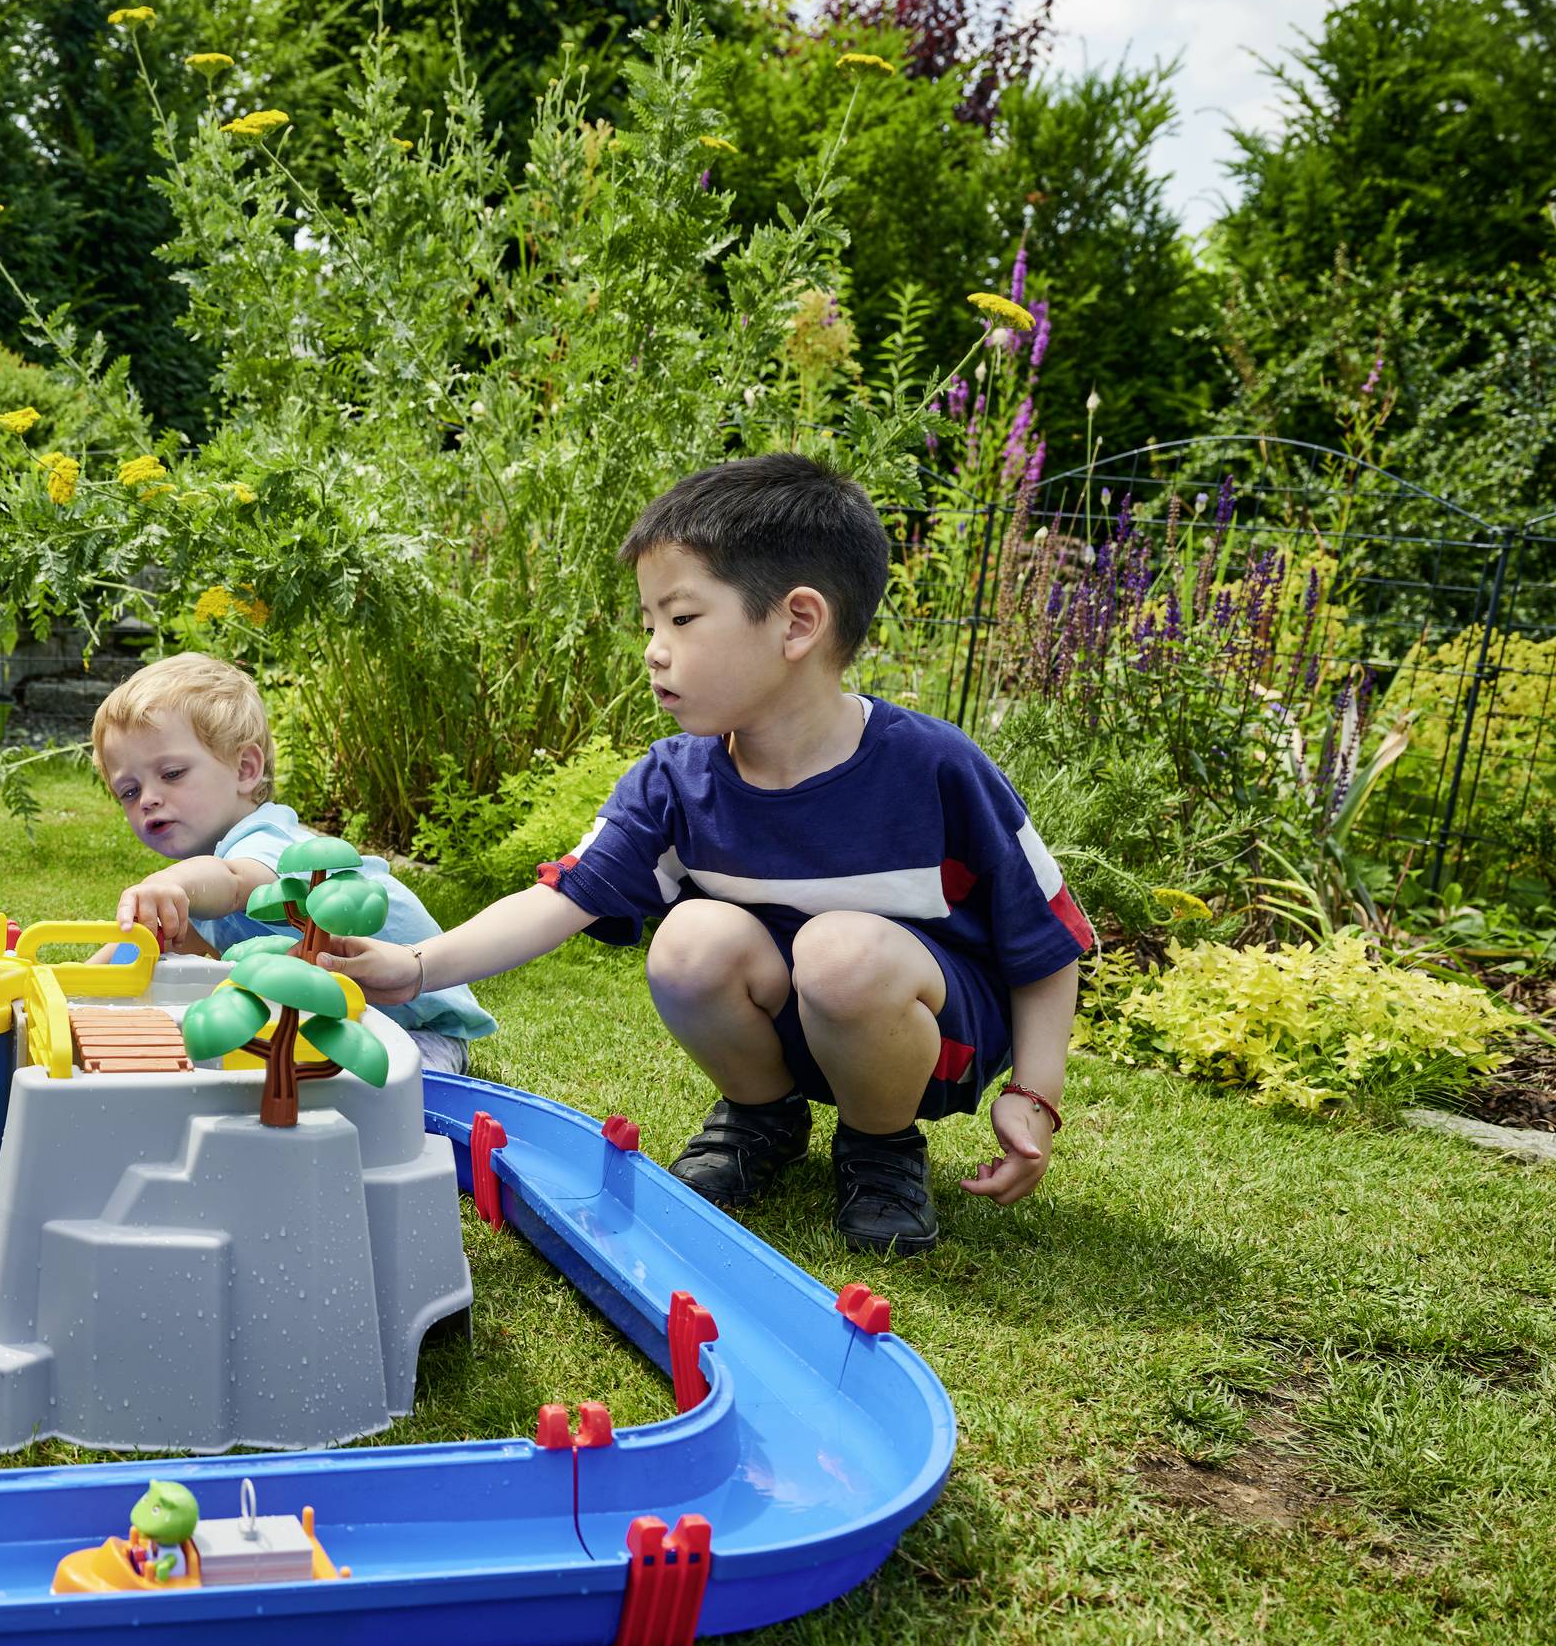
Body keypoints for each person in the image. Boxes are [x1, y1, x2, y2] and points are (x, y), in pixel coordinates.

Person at [322, 455, 1089, 1254]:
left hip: (924, 1039)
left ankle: (880, 1147)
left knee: (841, 952)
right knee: (688, 940)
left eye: (681, 620)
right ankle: (761, 1117)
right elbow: (563, 897)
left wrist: (1036, 1093)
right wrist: (414, 969)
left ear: (797, 622)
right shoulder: (675, 780)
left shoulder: (935, 768)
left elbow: (1044, 942)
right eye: (648, 624)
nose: (655, 649)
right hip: (794, 1022)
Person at [100, 652, 493, 1076]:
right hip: (326, 1023)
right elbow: (141, 942)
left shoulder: (265, 842)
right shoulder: (200, 877)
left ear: (245, 769)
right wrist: (64, 984)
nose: (148, 799)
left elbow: (233, 882)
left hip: (414, 1028)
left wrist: (168, 882)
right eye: (128, 790)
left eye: (172, 773)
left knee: (369, 1104)